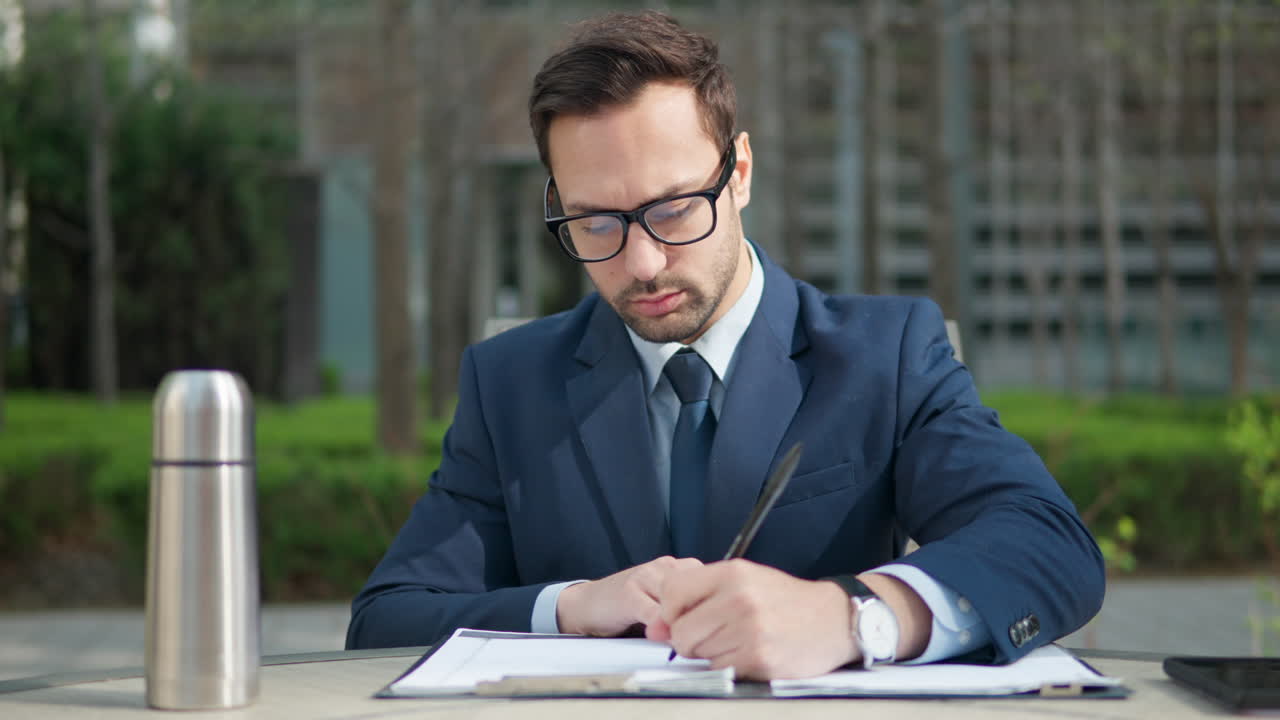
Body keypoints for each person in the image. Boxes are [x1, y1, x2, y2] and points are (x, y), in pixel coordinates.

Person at [346, 10, 1104, 681]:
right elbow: (387, 619)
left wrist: (855, 619)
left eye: (674, 209)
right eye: (596, 223)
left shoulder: (887, 354)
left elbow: (1048, 544)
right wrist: (570, 607)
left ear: (738, 172)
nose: (640, 264)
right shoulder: (509, 381)